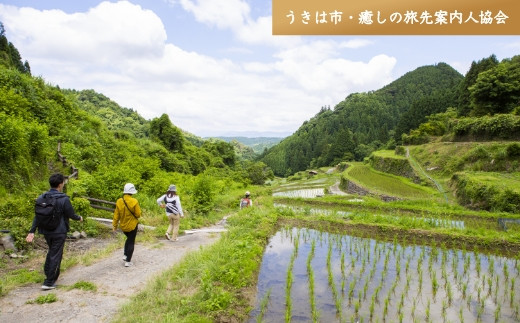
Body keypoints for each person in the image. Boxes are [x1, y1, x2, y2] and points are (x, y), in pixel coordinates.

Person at [26, 173, 83, 290]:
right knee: (55, 254)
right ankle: (48, 282)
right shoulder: (63, 198)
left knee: (53, 252)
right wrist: (79, 218)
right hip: (59, 231)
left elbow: (37, 216)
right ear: (60, 184)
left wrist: (32, 231)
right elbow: (71, 214)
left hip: (46, 231)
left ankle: (50, 275)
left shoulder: (42, 197)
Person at [113, 183, 141, 267]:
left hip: (123, 226)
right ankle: (128, 261)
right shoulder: (134, 201)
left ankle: (125, 254)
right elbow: (138, 214)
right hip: (132, 226)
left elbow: (116, 215)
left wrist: (114, 225)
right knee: (131, 242)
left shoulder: (119, 201)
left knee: (128, 239)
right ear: (132, 192)